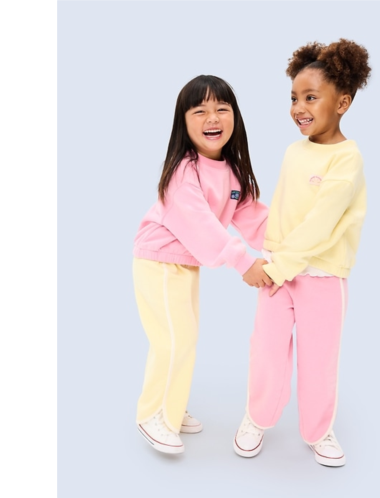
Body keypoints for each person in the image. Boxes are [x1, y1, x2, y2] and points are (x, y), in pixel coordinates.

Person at [233, 39, 372, 467]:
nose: (298, 108)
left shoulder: (347, 160)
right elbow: (282, 214)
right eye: (294, 98)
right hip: (278, 270)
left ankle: (319, 430)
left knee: (318, 358)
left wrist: (278, 268)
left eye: (311, 97)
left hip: (322, 277)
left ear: (342, 102)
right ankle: (257, 417)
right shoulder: (295, 151)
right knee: (266, 350)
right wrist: (264, 251)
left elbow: (319, 225)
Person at [133, 75, 272, 455]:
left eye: (221, 109)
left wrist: (291, 241)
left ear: (235, 117)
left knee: (186, 337)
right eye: (200, 111)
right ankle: (153, 414)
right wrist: (244, 262)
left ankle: (172, 407)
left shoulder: (232, 171)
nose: (212, 118)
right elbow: (202, 227)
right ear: (184, 121)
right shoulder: (184, 171)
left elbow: (255, 219)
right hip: (158, 261)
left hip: (184, 264)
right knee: (173, 339)